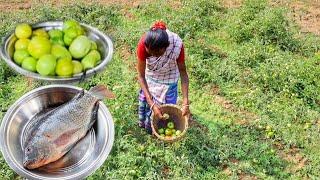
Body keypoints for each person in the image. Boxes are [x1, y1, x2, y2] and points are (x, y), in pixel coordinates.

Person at [136, 21, 190, 134]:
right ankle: (146, 126)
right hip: (151, 77)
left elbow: (183, 73)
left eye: (156, 54)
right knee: (146, 106)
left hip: (169, 77)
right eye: (149, 52)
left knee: (167, 111)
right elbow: (141, 76)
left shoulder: (175, 45)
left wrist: (185, 102)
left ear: (166, 48)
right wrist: (152, 104)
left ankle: (162, 128)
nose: (152, 55)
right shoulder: (144, 44)